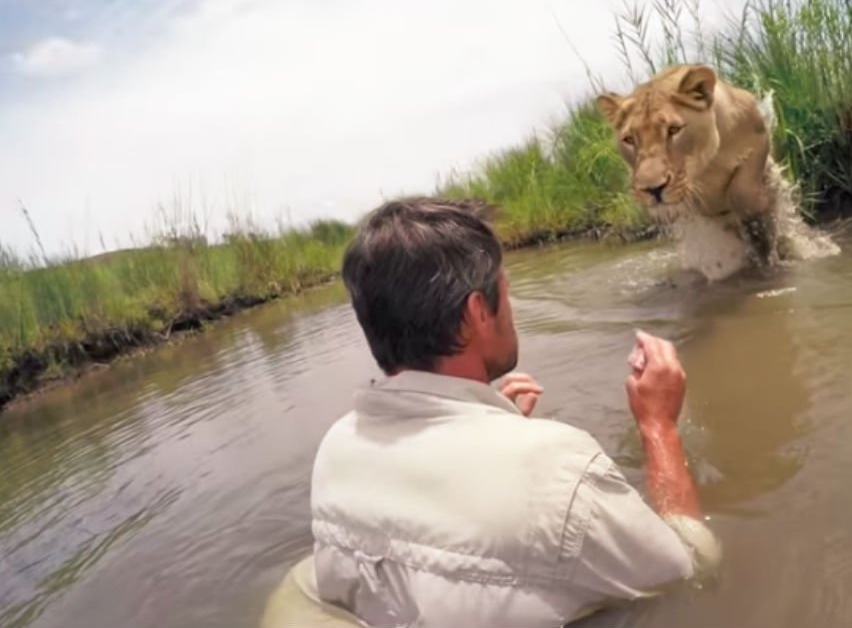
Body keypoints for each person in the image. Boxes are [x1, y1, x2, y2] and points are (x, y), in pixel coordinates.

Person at [259, 196, 720, 628]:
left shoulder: (338, 447)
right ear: (478, 311)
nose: (512, 309)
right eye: (507, 290)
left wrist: (495, 427)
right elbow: (690, 571)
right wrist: (658, 425)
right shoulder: (557, 467)